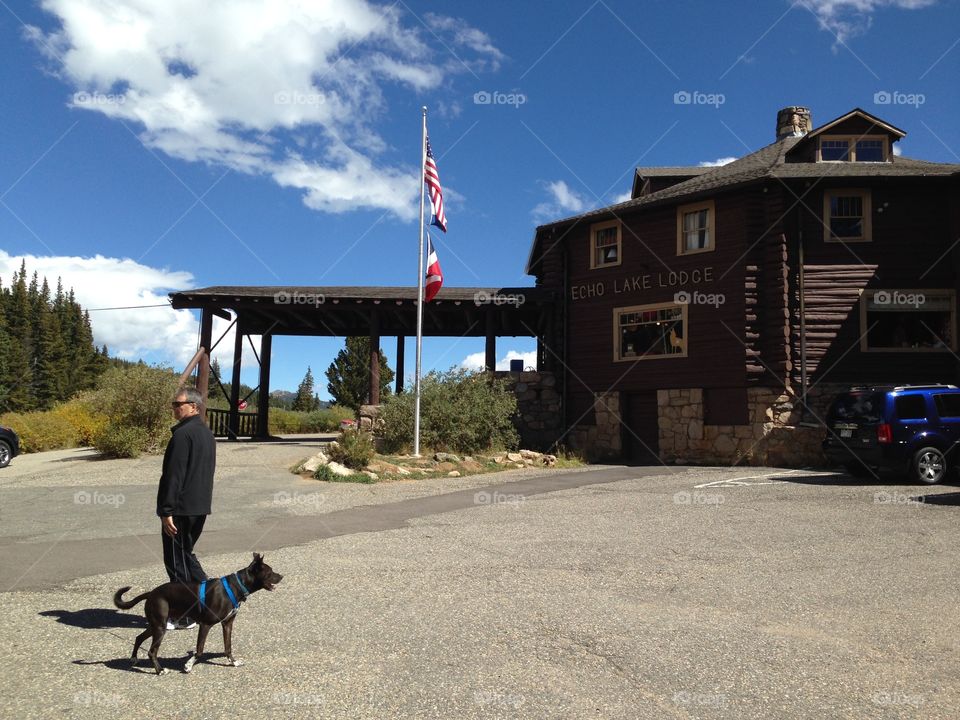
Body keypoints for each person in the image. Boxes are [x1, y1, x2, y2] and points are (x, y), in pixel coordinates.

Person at [157, 386, 216, 628]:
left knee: (176, 562)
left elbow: (174, 476)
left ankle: (184, 615)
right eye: (173, 404)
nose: (174, 408)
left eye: (178, 404)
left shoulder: (182, 435)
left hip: (180, 509)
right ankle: (213, 597)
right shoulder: (205, 433)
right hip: (199, 507)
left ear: (193, 406)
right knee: (186, 556)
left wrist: (166, 510)